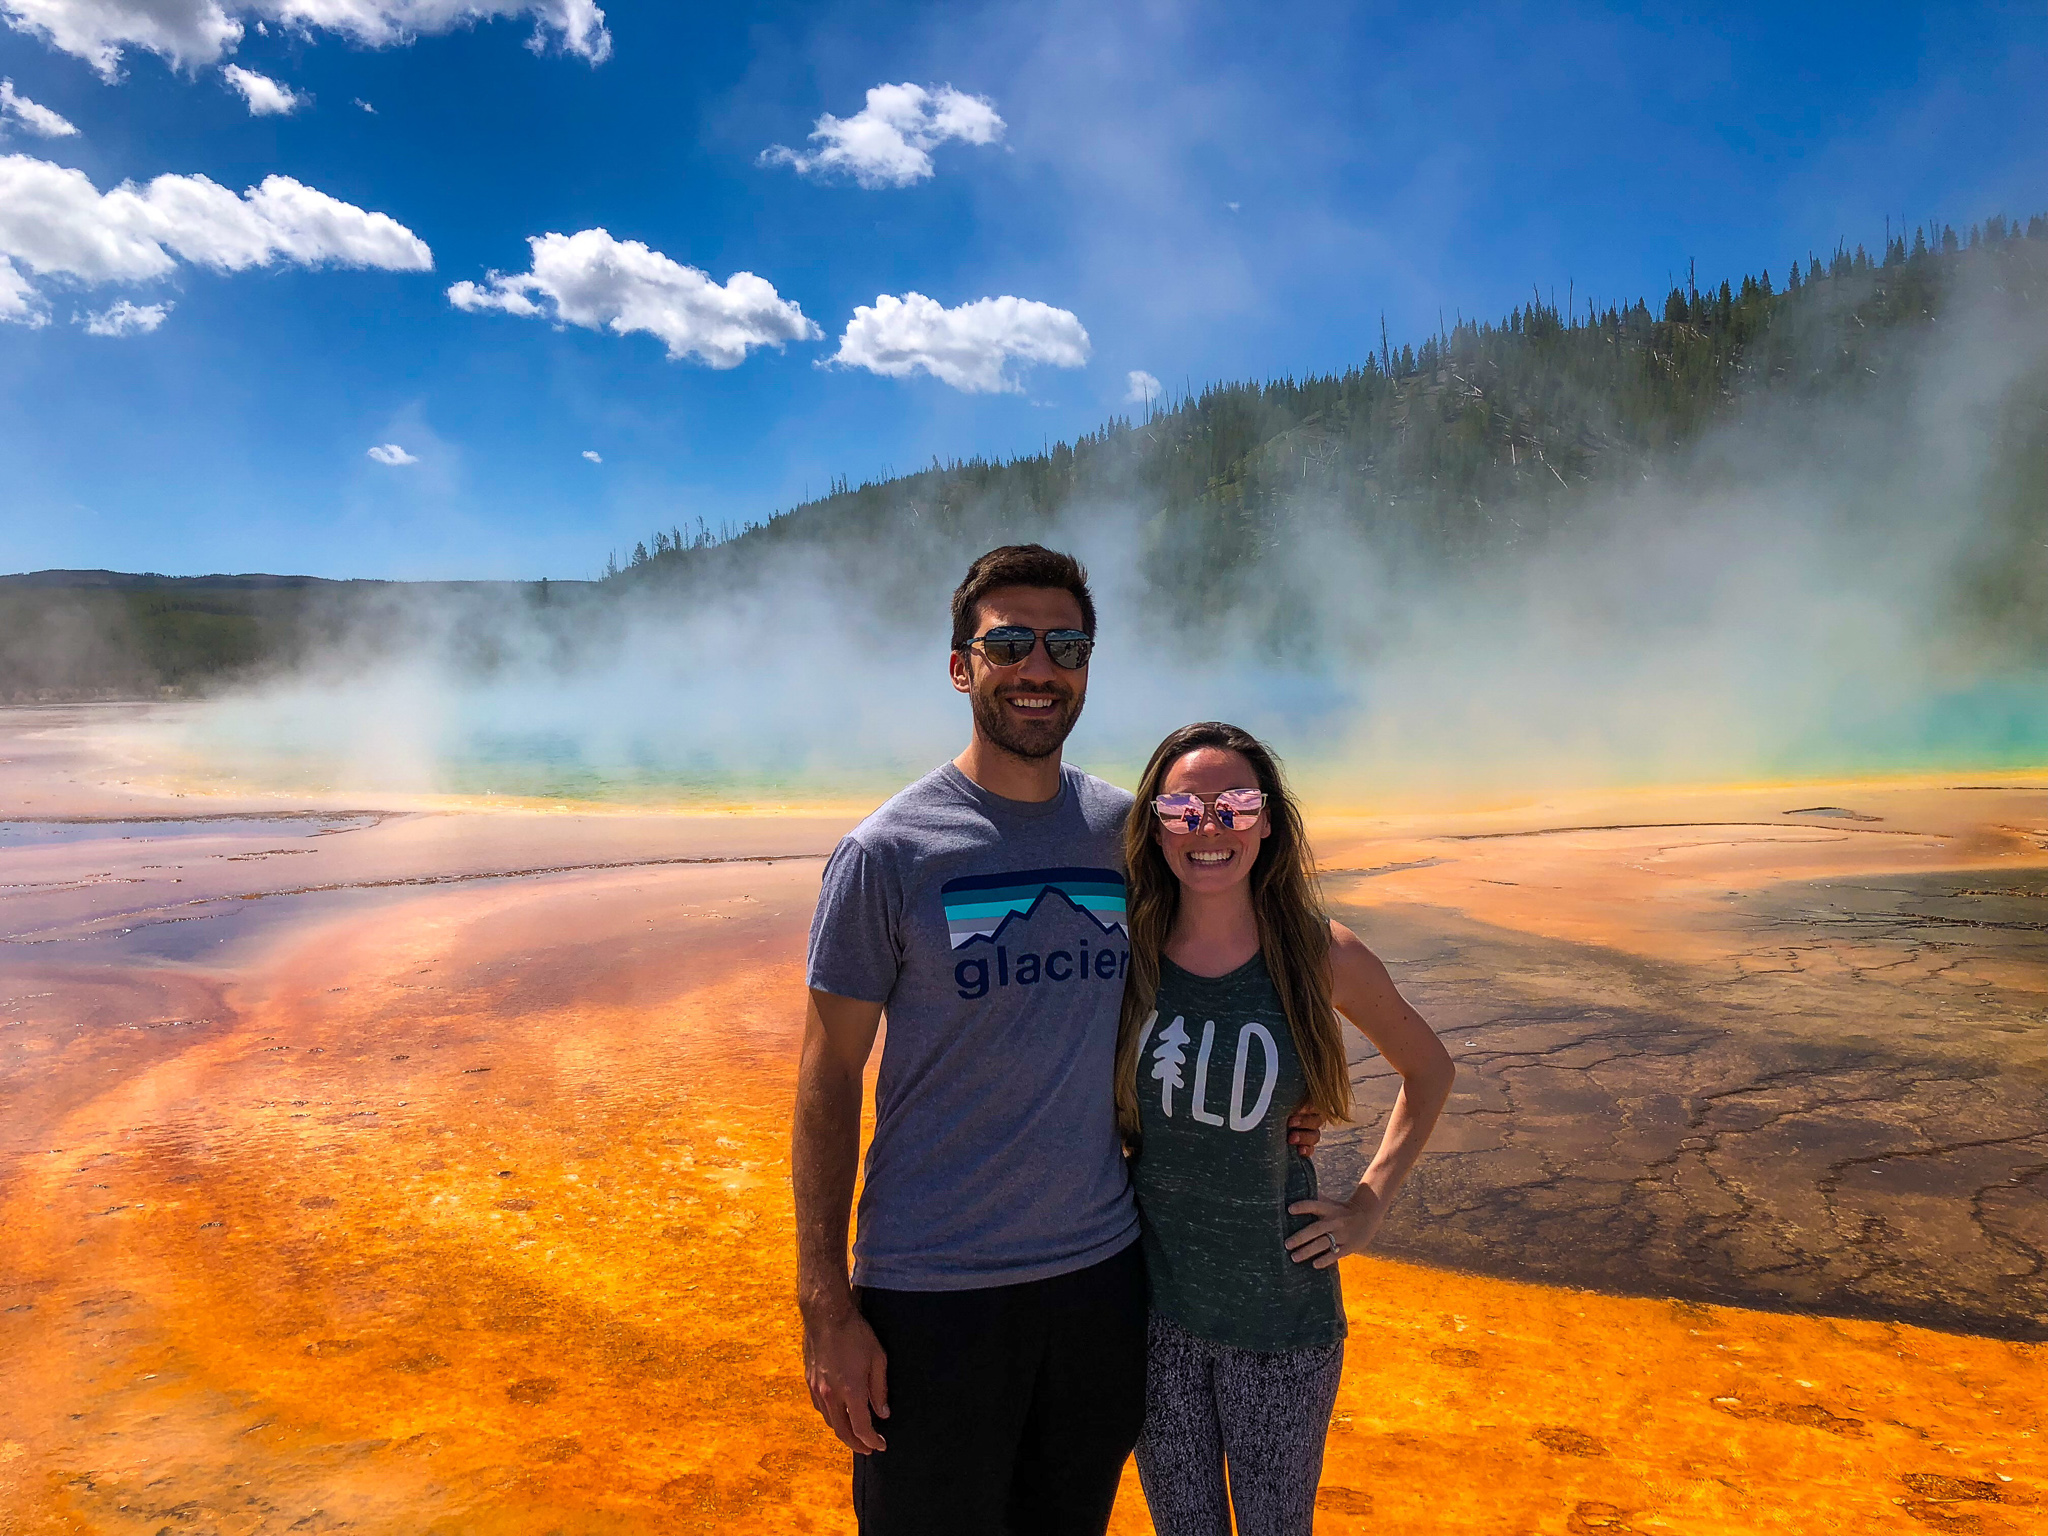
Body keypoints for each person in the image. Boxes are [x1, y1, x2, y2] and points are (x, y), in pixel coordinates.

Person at [793, 546, 1317, 1535]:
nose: (1039, 668)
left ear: (1086, 668)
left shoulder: (1126, 834)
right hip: (931, 1290)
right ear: (962, 667)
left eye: (1066, 647)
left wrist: (1292, 1094)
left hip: (1100, 1283)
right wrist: (825, 1305)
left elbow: (1224, 952)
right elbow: (826, 1080)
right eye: (1010, 644)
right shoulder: (887, 854)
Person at [1117, 721, 1455, 1536]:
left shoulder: (1320, 954)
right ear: (1155, 826)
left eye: (1235, 804)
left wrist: (1368, 1205)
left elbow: (1429, 1070)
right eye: (1183, 809)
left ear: (1267, 820)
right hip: (1152, 1314)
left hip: (1282, 1321)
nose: (1210, 827)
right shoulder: (1127, 952)